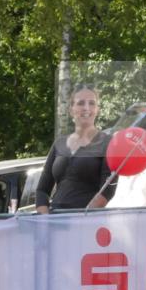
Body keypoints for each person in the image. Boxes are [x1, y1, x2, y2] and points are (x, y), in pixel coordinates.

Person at [36, 84, 114, 213]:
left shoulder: (108, 143)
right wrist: (45, 219)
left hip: (86, 223)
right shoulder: (59, 143)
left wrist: (81, 218)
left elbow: (108, 190)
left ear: (97, 110)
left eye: (92, 103)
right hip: (55, 222)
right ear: (71, 109)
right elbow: (42, 190)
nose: (86, 108)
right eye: (81, 103)